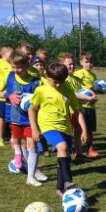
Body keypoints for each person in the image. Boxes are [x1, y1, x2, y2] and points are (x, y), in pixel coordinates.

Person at [28, 63, 87, 197]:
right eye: (55, 82)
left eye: (62, 82)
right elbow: (31, 109)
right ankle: (68, 180)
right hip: (48, 125)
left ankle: (60, 189)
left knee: (64, 155)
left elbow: (77, 110)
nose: (58, 85)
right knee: (62, 146)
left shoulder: (68, 90)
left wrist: (83, 129)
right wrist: (34, 129)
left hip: (65, 127)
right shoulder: (41, 90)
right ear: (47, 76)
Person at [0, 51, 47, 186]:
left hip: (30, 119)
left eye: (19, 67)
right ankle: (33, 170)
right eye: (13, 67)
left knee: (32, 146)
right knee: (22, 144)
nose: (15, 70)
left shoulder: (36, 82)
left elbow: (45, 95)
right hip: (14, 117)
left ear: (27, 65)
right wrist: (9, 96)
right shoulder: (9, 76)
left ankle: (30, 177)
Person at [73, 52, 100, 157]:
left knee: (90, 129)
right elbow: (77, 87)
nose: (89, 64)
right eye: (86, 62)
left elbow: (93, 89)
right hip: (81, 106)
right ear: (81, 62)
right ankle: (77, 149)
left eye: (91, 62)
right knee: (79, 129)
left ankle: (90, 149)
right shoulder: (79, 73)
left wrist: (99, 90)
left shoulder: (93, 75)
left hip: (91, 106)